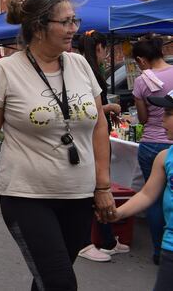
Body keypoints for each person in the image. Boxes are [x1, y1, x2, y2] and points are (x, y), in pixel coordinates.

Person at [0, 0, 114, 291]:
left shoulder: (80, 64)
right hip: (26, 196)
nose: (75, 28)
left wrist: (103, 185)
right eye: (66, 22)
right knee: (60, 282)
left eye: (75, 20)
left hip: (79, 195)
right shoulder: (6, 69)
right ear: (38, 27)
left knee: (47, 278)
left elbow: (99, 124)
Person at [75, 30, 129, 262]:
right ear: (99, 48)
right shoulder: (86, 72)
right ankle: (85, 242)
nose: (106, 54)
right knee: (93, 186)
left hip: (98, 133)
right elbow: (84, 108)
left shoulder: (86, 70)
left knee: (98, 185)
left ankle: (107, 239)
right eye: (105, 49)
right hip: (91, 136)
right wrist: (109, 109)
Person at [111, 90, 173, 290]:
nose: (162, 120)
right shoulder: (164, 157)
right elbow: (147, 194)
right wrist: (118, 213)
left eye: (169, 114)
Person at [131, 34, 173, 265]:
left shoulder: (141, 81)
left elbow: (144, 118)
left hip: (152, 142)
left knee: (154, 198)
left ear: (142, 59)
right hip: (171, 143)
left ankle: (159, 251)